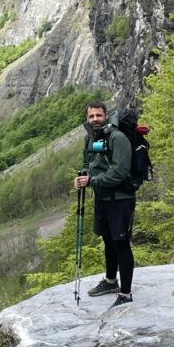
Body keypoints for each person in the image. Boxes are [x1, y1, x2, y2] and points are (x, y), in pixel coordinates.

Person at [75, 101, 135, 307]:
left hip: (120, 200)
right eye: (91, 116)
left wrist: (92, 181)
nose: (95, 120)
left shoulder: (118, 138)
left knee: (121, 243)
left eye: (98, 116)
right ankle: (111, 281)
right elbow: (88, 164)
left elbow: (120, 172)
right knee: (108, 240)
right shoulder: (91, 138)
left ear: (106, 115)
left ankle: (126, 294)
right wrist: (82, 177)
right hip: (103, 199)